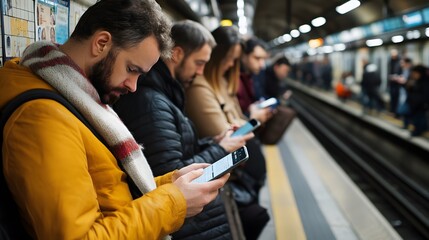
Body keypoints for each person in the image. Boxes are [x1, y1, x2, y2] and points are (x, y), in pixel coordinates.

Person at [0, 1, 229, 239]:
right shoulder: (43, 118)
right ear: (101, 43)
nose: (133, 86)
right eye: (131, 69)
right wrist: (174, 202)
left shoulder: (76, 97)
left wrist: (169, 184)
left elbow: (107, 191)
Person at [113, 20, 253, 239]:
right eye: (198, 63)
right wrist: (222, 148)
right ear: (177, 54)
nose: (200, 72)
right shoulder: (151, 103)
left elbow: (180, 150)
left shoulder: (166, 93)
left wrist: (215, 142)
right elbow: (170, 173)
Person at [184, 25, 270, 240]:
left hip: (244, 176)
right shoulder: (200, 89)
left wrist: (247, 123)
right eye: (230, 58)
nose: (233, 65)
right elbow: (223, 135)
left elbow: (235, 122)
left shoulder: (222, 82)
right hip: (230, 179)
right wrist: (253, 121)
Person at [237, 37, 272, 120]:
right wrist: (251, 115)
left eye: (263, 59)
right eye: (257, 58)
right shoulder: (234, 79)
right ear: (244, 56)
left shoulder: (256, 76)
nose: (261, 65)